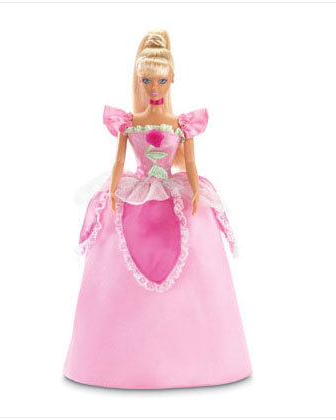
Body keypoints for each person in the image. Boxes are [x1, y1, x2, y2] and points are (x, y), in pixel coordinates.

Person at [63, 29, 252, 389]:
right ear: (139, 80)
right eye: (147, 80)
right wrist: (113, 190)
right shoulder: (128, 123)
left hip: (173, 190)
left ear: (172, 80)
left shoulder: (181, 125)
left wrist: (194, 192)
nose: (154, 87)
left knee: (198, 249)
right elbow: (119, 162)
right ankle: (113, 354)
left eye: (161, 81)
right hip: (136, 190)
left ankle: (201, 353)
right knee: (115, 251)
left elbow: (190, 164)